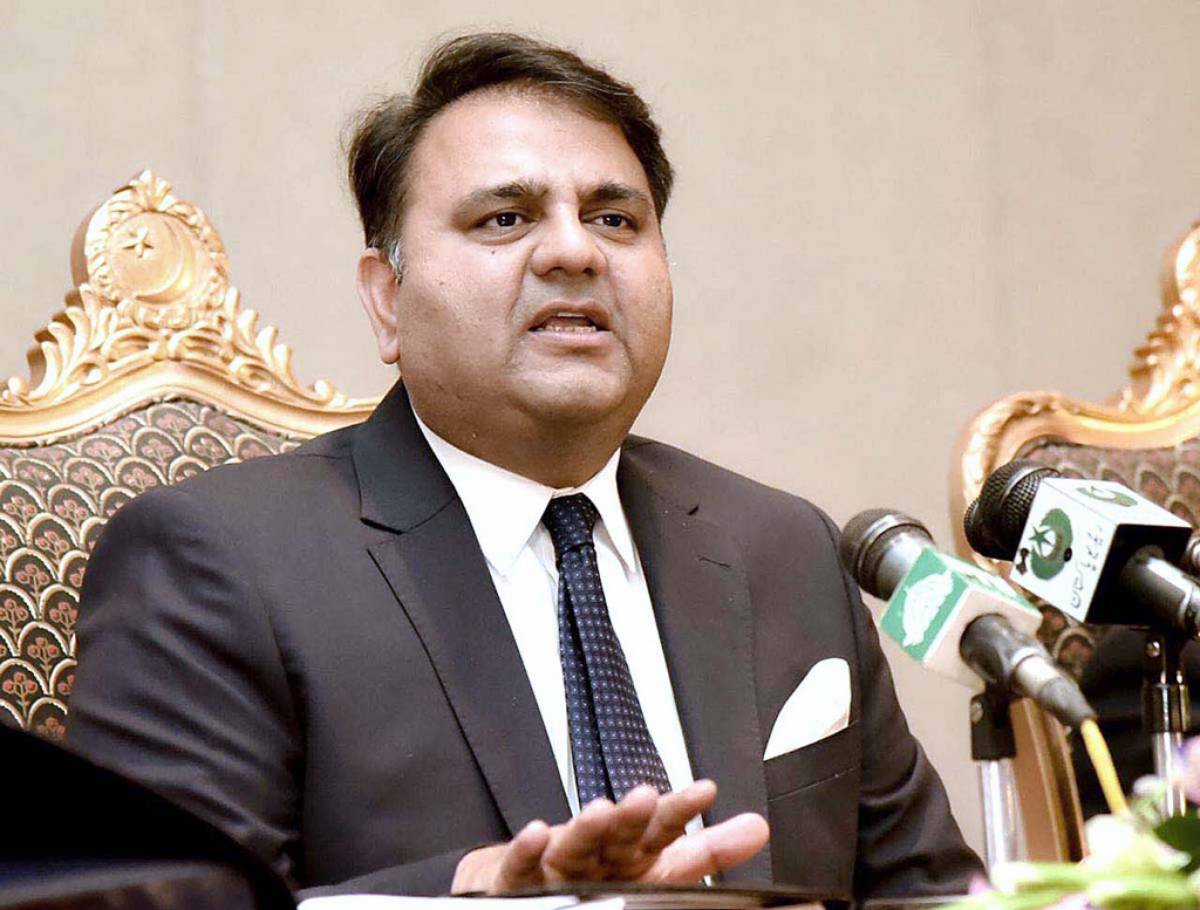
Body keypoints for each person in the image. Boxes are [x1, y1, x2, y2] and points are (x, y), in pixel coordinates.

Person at [67, 32, 982, 900]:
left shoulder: (783, 549)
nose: (575, 252)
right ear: (387, 301)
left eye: (615, 218)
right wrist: (474, 897)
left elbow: (932, 892)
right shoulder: (219, 565)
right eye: (504, 218)